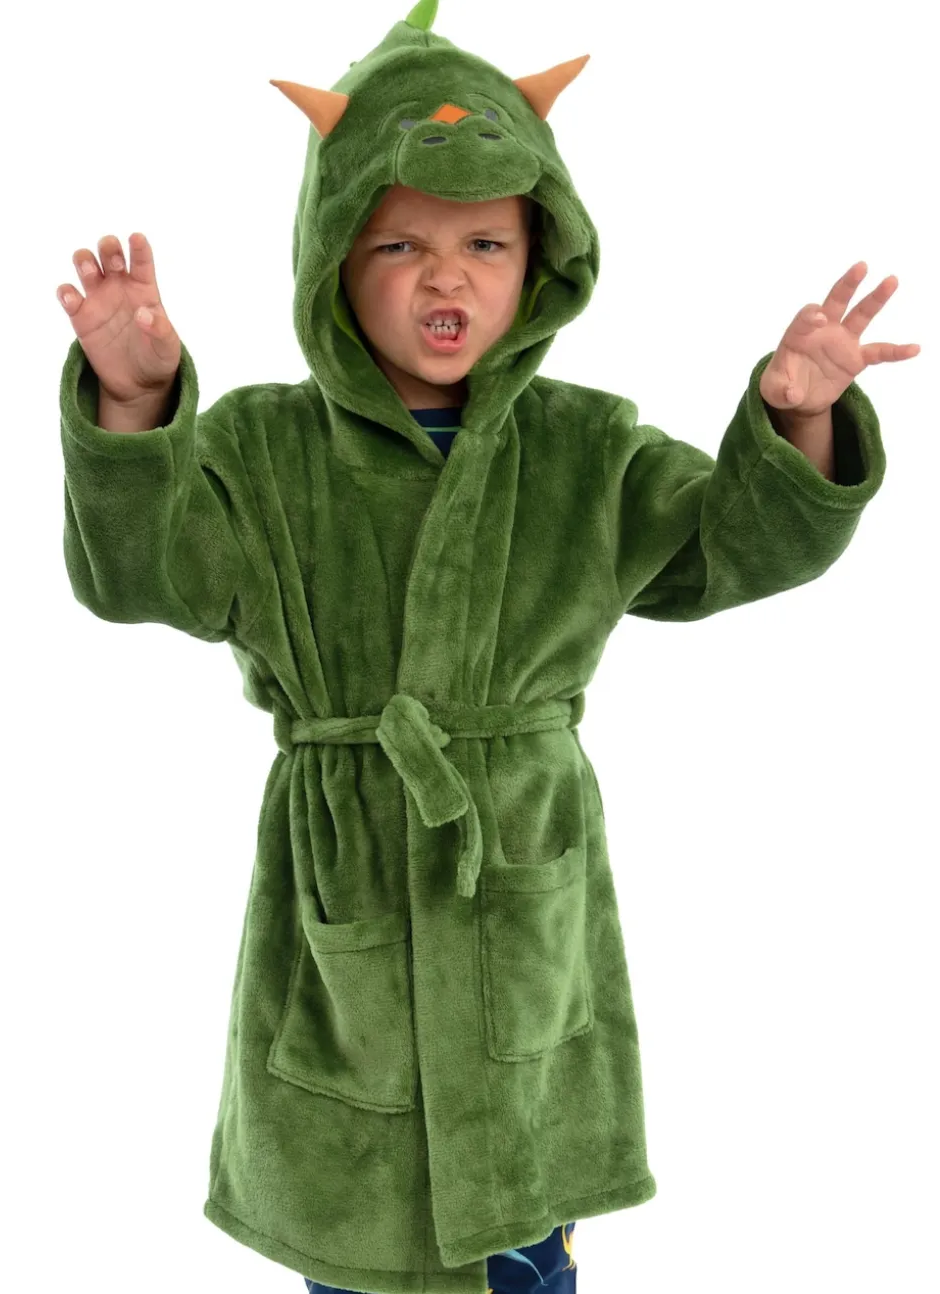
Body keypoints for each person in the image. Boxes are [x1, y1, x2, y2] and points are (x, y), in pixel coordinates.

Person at [54, 2, 916, 1292]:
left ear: (542, 259)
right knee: (353, 1221)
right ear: (332, 262)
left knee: (524, 1217)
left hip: (519, 878)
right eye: (400, 242)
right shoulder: (264, 446)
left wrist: (798, 423)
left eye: (485, 243)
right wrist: (134, 407)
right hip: (345, 879)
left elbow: (734, 549)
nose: (445, 276)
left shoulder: (585, 447)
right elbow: (143, 575)